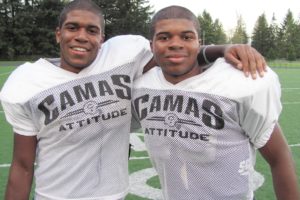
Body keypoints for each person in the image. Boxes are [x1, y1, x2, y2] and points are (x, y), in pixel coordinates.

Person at [0, 1, 268, 200]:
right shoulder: (27, 82)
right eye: (72, 28)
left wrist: (224, 49)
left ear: (101, 39)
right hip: (54, 195)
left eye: (91, 30)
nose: (81, 36)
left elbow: (176, 55)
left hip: (113, 194)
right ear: (58, 33)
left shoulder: (123, 55)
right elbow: (23, 165)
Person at [132, 5, 300, 200]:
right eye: (164, 37)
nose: (175, 44)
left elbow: (279, 156)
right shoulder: (141, 85)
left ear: (198, 42)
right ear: (151, 44)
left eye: (187, 37)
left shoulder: (238, 83)